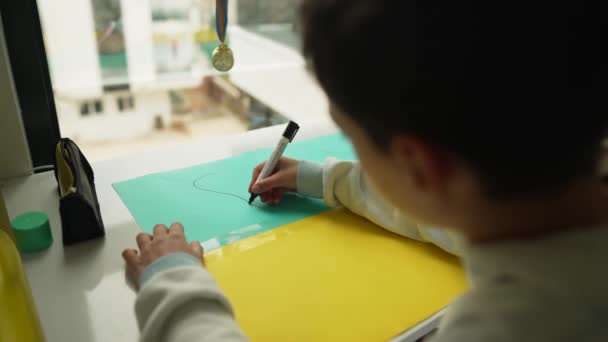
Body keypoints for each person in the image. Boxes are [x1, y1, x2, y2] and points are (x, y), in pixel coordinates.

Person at [122, 1, 608, 341]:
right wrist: (326, 180)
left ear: (417, 164)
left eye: (353, 139)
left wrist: (173, 285)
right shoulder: (556, 213)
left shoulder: (506, 329)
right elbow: (457, 209)